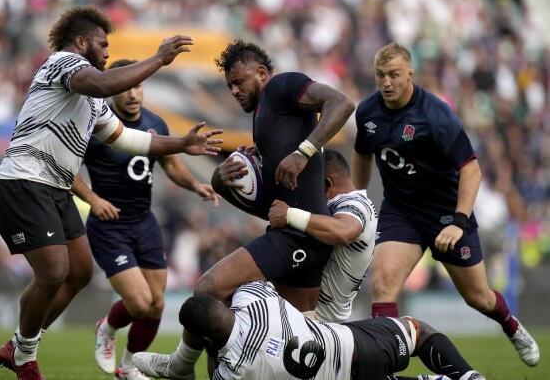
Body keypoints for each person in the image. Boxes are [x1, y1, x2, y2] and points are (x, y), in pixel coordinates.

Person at [0, 5, 223, 380]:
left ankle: (18, 344)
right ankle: (24, 357)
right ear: (80, 42)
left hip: (56, 188)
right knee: (54, 271)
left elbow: (126, 139)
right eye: (102, 44)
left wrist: (182, 142)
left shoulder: (93, 99)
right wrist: (159, 59)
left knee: (79, 273)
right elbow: (102, 82)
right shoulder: (61, 63)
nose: (106, 52)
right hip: (24, 180)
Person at [138, 39, 356, 379]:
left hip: (297, 238)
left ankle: (180, 365)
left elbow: (342, 104)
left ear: (263, 73)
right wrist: (222, 183)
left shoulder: (282, 87)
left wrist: (305, 151)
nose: (234, 90)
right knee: (294, 339)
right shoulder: (262, 117)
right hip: (299, 234)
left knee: (209, 290)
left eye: (240, 81)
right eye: (229, 86)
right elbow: (269, 207)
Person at [351, 42, 539, 367]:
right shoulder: (368, 111)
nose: (386, 83)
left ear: (410, 73)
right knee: (382, 285)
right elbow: (362, 153)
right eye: (380, 75)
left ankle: (511, 325)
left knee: (478, 297)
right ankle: (382, 366)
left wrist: (458, 221)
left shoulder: (435, 114)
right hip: (401, 211)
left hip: (446, 214)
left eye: (394, 75)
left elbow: (471, 170)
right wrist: (355, 197)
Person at [69, 58, 221, 380]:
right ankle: (107, 327)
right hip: (109, 227)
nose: (133, 93)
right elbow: (66, 171)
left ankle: (127, 367)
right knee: (138, 304)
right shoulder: (93, 128)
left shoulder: (155, 122)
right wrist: (94, 200)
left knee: (156, 306)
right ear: (113, 92)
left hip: (144, 222)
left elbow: (170, 164)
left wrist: (195, 186)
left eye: (137, 86)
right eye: (125, 87)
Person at [133, 280, 487, 380]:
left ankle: (177, 367)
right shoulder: (255, 300)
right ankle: (467, 377)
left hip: (342, 373)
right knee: (417, 332)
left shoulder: (231, 372)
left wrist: (210, 350)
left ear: (207, 343)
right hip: (354, 345)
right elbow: (246, 283)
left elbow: (217, 366)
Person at [268, 148, 377, 323]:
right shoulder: (341, 205)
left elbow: (344, 232)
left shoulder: (356, 204)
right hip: (306, 311)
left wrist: (289, 215)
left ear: (326, 185)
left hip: (320, 320)